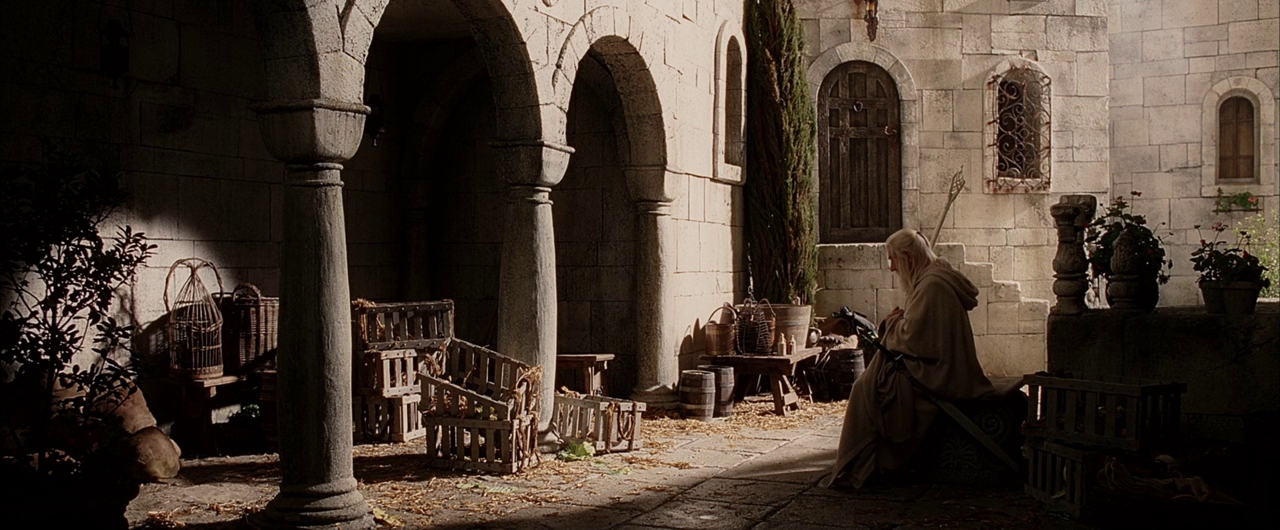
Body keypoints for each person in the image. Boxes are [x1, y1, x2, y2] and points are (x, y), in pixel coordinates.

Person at [824, 228, 996, 488]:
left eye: (893, 259)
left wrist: (892, 322)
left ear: (909, 257)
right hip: (940, 365)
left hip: (941, 373)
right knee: (869, 382)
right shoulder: (932, 279)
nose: (892, 268)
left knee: (869, 388)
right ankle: (863, 464)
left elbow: (915, 340)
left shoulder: (932, 286)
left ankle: (864, 467)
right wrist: (901, 320)